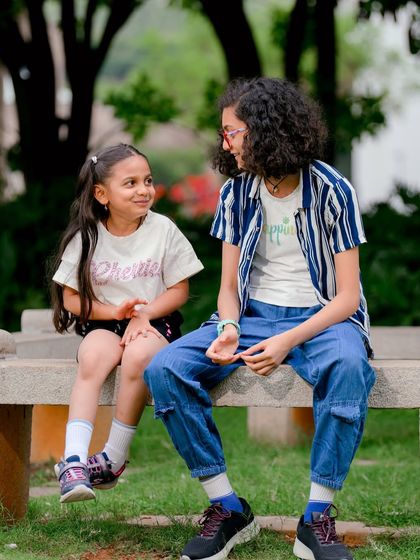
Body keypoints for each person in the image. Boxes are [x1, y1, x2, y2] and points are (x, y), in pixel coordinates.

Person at [144, 77, 376, 560]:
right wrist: (229, 327)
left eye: (232, 131)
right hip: (250, 315)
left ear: (266, 130)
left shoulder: (333, 190)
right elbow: (228, 289)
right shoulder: (237, 194)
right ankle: (226, 508)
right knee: (164, 368)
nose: (224, 142)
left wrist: (288, 340)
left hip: (323, 318)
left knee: (350, 368)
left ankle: (317, 519)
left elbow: (348, 298)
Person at [50, 143, 203, 504]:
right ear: (102, 194)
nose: (143, 190)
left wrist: (144, 313)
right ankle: (73, 461)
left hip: (155, 323)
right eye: (130, 183)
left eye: (147, 180)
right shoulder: (86, 236)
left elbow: (179, 289)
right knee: (91, 358)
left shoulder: (162, 229)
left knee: (138, 358)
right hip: (106, 323)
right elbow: (72, 298)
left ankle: (113, 457)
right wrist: (115, 312)